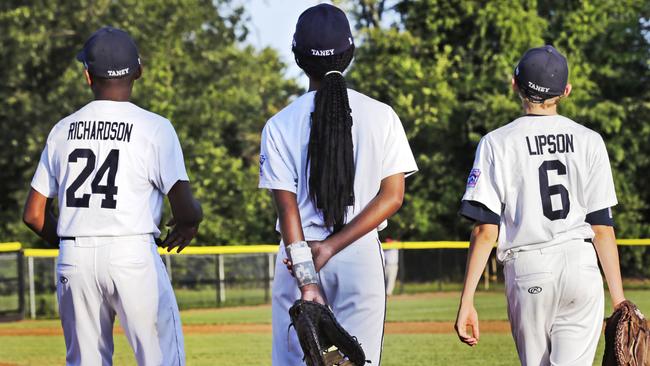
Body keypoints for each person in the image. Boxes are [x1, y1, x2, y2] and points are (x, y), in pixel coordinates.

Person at [22, 27, 202, 366]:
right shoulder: (155, 127)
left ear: (88, 76)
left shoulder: (62, 129)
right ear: (139, 71)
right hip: (132, 254)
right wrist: (193, 221)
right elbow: (185, 208)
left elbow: (33, 214)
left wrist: (70, 244)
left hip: (74, 255)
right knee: (161, 359)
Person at [258, 4, 418, 365]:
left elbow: (287, 211)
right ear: (350, 54)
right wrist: (331, 247)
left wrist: (308, 278)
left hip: (296, 259)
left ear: (297, 56)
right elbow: (393, 197)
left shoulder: (280, 124)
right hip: (357, 255)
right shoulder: (382, 116)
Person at [454, 45, 626, 365]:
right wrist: (619, 300)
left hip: (529, 268)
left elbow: (485, 231)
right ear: (566, 91)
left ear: (515, 85)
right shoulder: (589, 140)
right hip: (582, 267)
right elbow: (602, 226)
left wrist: (467, 299)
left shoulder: (497, 142)